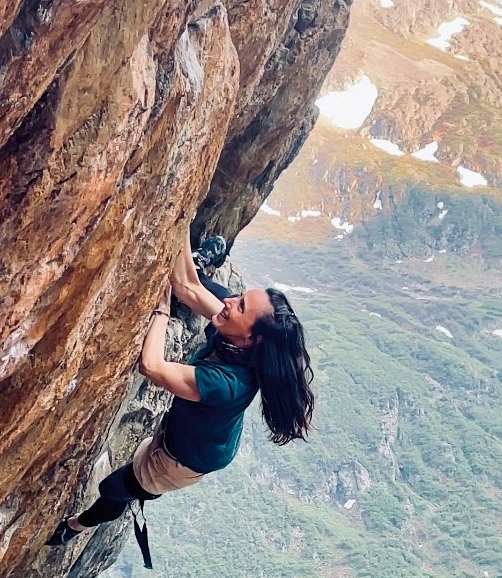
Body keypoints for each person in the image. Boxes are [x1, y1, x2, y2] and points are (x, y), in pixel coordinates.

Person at [47, 235, 314, 552]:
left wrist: (161, 311)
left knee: (114, 489)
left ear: (251, 339)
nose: (230, 302)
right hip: (198, 431)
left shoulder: (228, 384)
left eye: (241, 306)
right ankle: (202, 259)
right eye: (240, 296)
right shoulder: (238, 335)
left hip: (181, 461)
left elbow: (151, 365)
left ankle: (76, 526)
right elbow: (187, 286)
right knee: (200, 281)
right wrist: (181, 212)